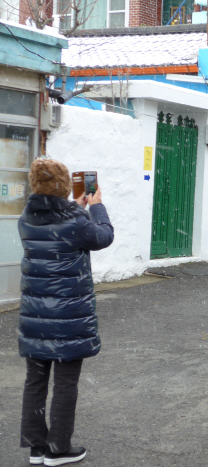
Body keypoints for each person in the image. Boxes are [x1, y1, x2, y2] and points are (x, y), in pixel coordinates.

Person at [18, 158, 114, 466]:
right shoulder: (75, 221)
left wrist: (74, 206)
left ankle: (36, 447)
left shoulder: (26, 219)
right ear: (63, 185)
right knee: (65, 382)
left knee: (35, 380)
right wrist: (95, 205)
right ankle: (58, 449)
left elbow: (60, 227)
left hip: (35, 316)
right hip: (69, 316)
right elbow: (102, 236)